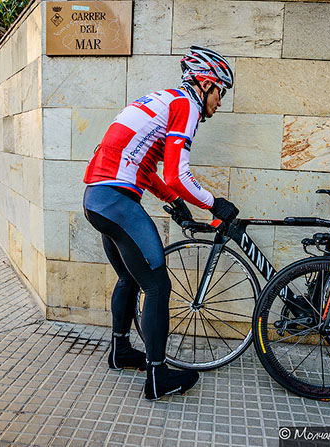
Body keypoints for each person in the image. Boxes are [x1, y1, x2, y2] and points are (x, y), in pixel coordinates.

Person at [82, 46, 240, 401]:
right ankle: (157, 377)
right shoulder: (187, 106)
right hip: (117, 202)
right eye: (221, 92)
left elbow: (146, 167)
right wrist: (216, 203)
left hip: (97, 198)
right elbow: (177, 174)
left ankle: (121, 352)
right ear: (205, 83)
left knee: (129, 277)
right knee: (157, 286)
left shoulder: (162, 99)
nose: (220, 101)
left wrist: (175, 203)